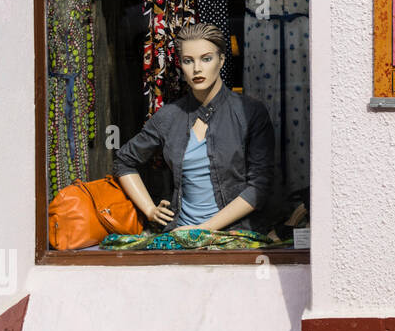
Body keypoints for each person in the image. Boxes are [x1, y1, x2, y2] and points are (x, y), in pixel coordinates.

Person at [112, 21, 274, 232]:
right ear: (181, 64)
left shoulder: (249, 112)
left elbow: (259, 187)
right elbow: (124, 161)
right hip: (179, 233)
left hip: (233, 235)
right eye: (188, 61)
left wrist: (203, 230)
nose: (197, 69)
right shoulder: (169, 117)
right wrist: (150, 210)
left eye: (206, 59)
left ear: (221, 60)